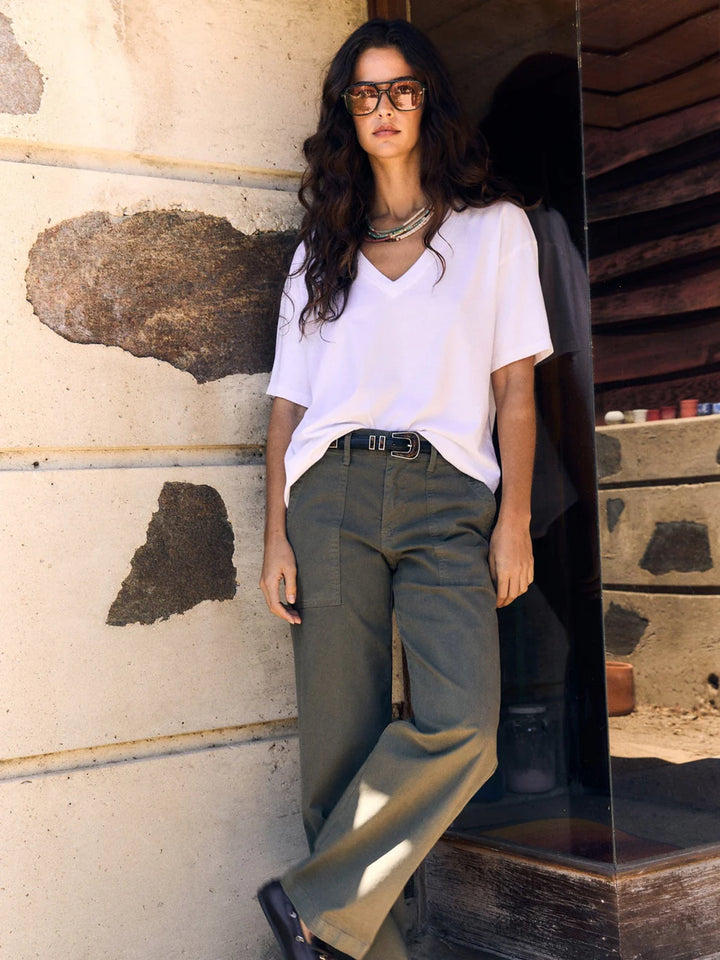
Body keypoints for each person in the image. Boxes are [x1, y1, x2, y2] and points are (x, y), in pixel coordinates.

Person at [257, 18, 552, 960]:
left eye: (401, 90)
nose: (383, 108)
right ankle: (355, 944)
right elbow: (286, 407)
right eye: (365, 93)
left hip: (448, 497)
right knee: (338, 752)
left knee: (463, 726)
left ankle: (309, 903)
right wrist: (274, 535)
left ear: (428, 102)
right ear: (347, 112)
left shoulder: (495, 231)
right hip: (330, 497)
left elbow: (516, 390)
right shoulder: (321, 251)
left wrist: (515, 519)